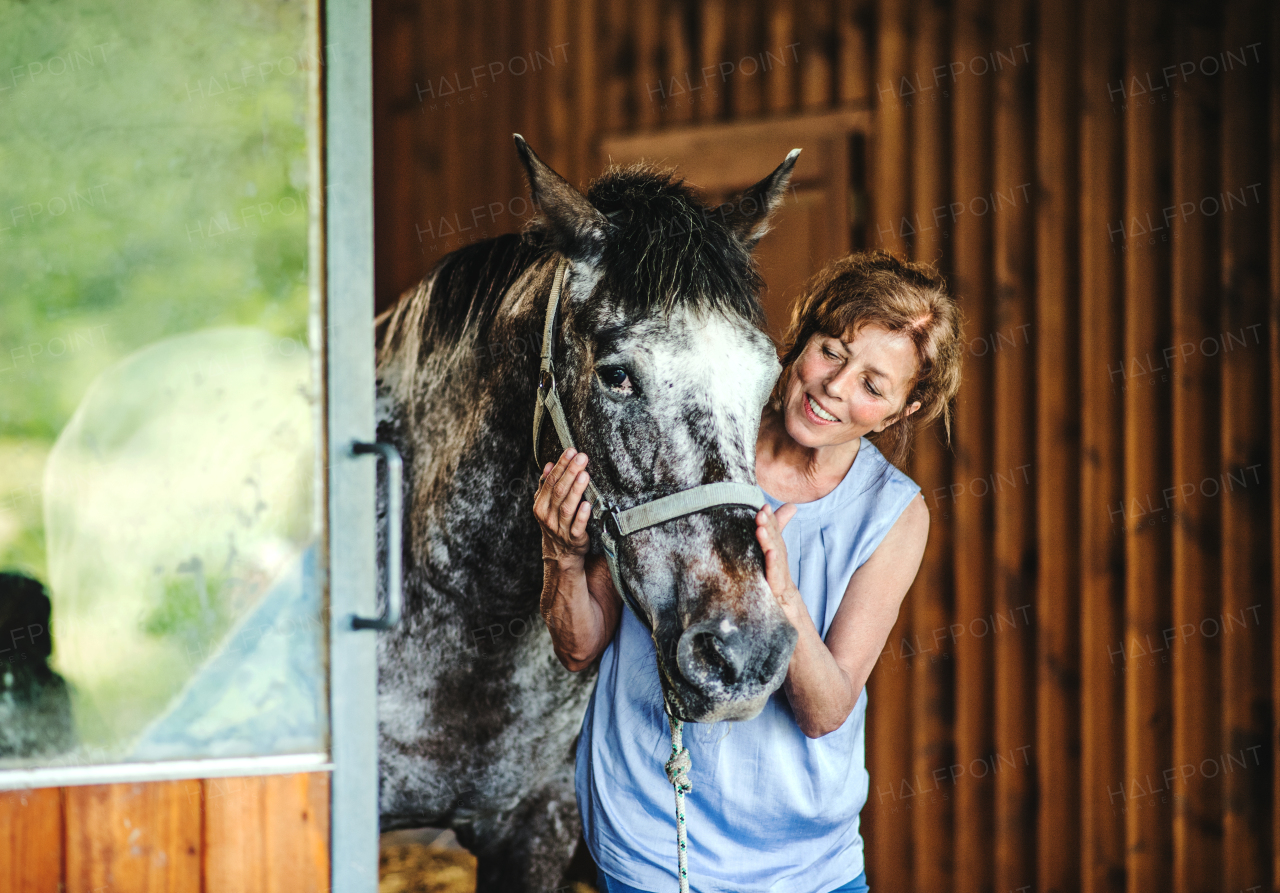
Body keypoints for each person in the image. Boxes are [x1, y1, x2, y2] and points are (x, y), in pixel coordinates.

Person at [534, 251, 965, 893]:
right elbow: (579, 648)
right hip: (655, 841)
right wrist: (563, 555)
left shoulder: (893, 514)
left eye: (875, 386)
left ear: (902, 411)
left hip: (808, 865)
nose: (835, 388)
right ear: (800, 338)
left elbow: (826, 712)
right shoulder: (686, 431)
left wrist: (782, 594)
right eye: (832, 351)